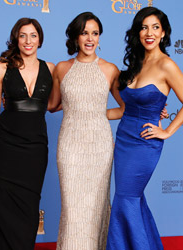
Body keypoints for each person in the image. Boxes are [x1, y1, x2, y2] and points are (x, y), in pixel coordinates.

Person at [106, 7, 183, 250]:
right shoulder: (135, 64)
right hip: (124, 139)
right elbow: (127, 107)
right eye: (143, 27)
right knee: (132, 200)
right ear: (138, 32)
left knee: (125, 199)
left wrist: (168, 131)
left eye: (155, 27)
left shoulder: (167, 65)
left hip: (145, 143)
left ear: (163, 33)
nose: (149, 33)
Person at [48, 12, 124, 250]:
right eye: (84, 33)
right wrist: (17, 101)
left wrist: (97, 113)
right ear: (76, 37)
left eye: (95, 33)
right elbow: (52, 105)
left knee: (96, 208)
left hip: (100, 147)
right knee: (72, 211)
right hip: (70, 145)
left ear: (99, 37)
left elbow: (126, 107)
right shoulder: (61, 68)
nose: (90, 39)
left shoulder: (110, 69)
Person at [0, 18, 54, 250]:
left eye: (33, 35)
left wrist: (152, 108)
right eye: (23, 35)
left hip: (35, 149)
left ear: (40, 39)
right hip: (5, 146)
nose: (28, 40)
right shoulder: (2, 68)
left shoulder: (51, 69)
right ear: (16, 38)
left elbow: (57, 104)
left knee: (28, 208)